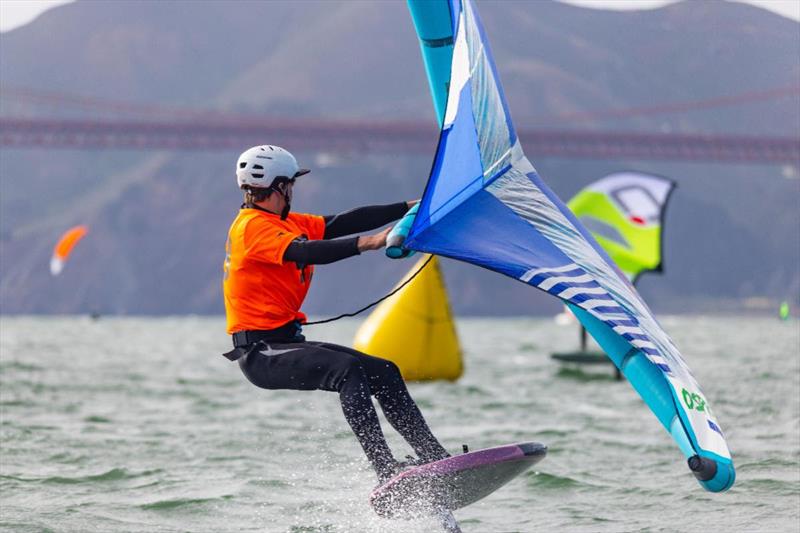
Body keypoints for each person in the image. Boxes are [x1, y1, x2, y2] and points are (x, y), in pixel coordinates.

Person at [222, 145, 450, 483]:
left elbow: (343, 222)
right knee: (347, 371)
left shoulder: (282, 222)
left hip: (283, 343)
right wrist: (370, 243)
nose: (293, 192)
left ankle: (434, 458)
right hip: (261, 353)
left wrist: (411, 207)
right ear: (279, 186)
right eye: (291, 185)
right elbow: (307, 251)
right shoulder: (251, 228)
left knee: (384, 371)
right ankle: (386, 471)